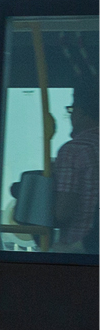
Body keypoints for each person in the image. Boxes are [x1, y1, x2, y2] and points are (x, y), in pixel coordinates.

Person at [51, 92, 95, 253]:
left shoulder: (73, 150)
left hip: (80, 250)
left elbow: (63, 212)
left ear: (81, 112)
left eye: (71, 110)